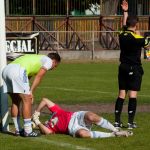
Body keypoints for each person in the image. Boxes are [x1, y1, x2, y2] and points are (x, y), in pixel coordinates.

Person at [2, 53, 61, 137]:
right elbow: (39, 77)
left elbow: (26, 77)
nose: (53, 68)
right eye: (55, 66)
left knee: (15, 101)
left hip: (6, 70)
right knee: (27, 100)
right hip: (18, 70)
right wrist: (31, 92)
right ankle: (28, 130)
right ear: (54, 61)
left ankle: (18, 129)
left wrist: (28, 89)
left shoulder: (37, 58)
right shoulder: (48, 61)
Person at [114, 0, 150, 129]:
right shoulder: (138, 38)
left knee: (121, 94)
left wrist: (125, 12)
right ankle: (130, 122)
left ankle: (117, 121)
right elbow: (147, 46)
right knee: (133, 95)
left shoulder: (122, 35)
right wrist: (140, 35)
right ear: (136, 24)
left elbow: (125, 27)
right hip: (134, 68)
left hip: (122, 67)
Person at [32, 98, 133, 138]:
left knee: (91, 116)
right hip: (72, 129)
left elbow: (44, 100)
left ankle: (116, 129)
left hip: (76, 116)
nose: (46, 122)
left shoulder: (56, 112)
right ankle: (113, 134)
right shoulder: (49, 128)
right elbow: (47, 132)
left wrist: (37, 113)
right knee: (83, 134)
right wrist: (37, 122)